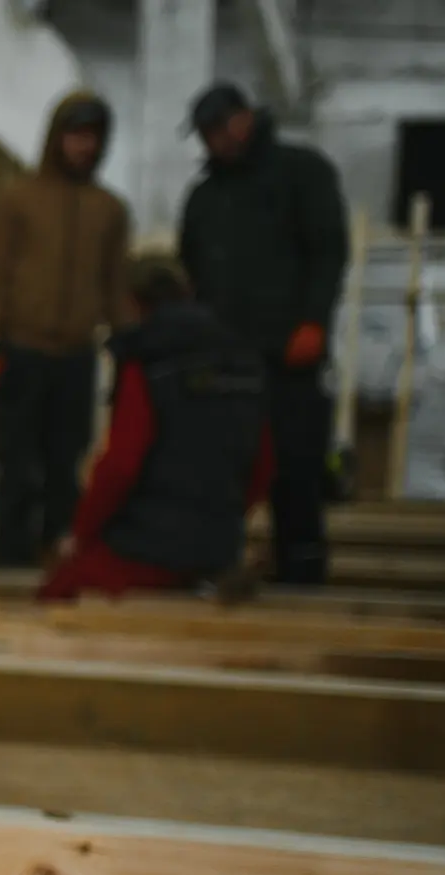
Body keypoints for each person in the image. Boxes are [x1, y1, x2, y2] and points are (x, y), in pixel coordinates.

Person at [178, 81, 349, 585]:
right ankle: (219, 571)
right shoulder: (204, 198)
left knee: (295, 470)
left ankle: (302, 575)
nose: (213, 141)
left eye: (218, 128)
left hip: (289, 355)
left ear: (244, 119)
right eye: (205, 134)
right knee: (220, 473)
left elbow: (328, 253)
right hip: (223, 359)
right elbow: (192, 273)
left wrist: (314, 321)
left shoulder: (303, 172)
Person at [39, 254, 273, 602]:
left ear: (133, 303)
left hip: (146, 549)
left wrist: (80, 534)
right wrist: (222, 522)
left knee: (55, 596)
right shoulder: (243, 362)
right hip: (219, 549)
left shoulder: (148, 362)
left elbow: (121, 466)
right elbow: (262, 464)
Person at [0, 91, 136, 568]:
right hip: (20, 350)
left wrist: (131, 344)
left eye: (94, 137)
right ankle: (10, 552)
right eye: (76, 135)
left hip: (77, 355)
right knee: (16, 461)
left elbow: (115, 283)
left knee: (67, 460)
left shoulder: (109, 209)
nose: (85, 146)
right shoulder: (16, 198)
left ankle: (57, 549)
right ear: (57, 137)